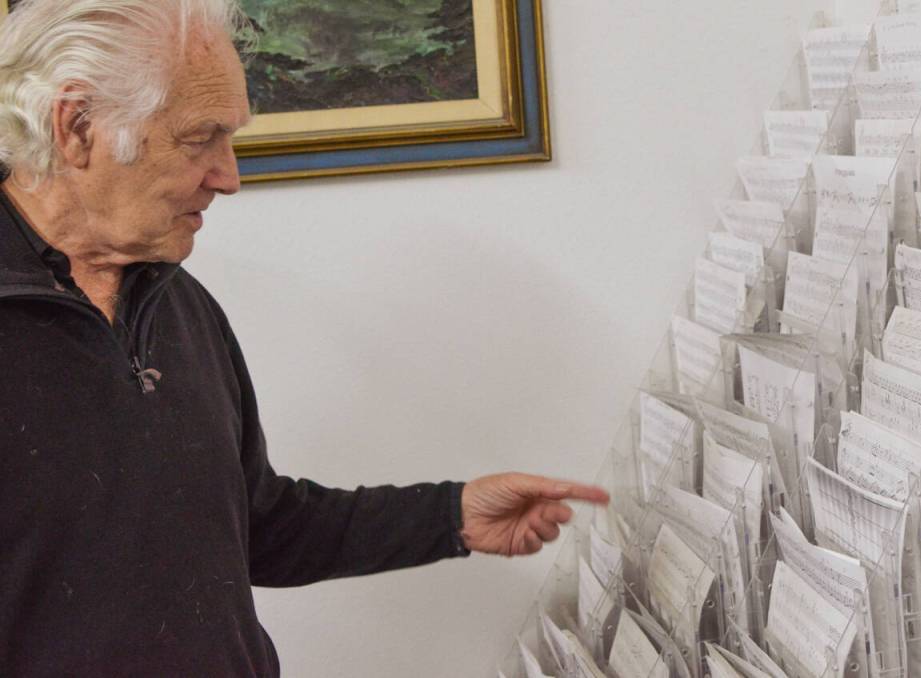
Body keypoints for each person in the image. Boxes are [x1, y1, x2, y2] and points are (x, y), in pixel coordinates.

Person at [0, 1, 608, 675]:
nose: (229, 177)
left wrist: (452, 515)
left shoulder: (178, 304)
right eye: (199, 138)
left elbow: (256, 526)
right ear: (77, 125)